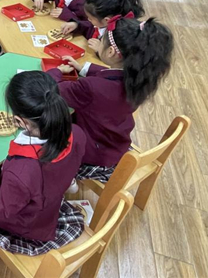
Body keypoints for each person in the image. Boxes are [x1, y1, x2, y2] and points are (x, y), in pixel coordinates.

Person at [0, 71, 86, 255]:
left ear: (18, 121)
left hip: (27, 224)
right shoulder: (77, 133)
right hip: (47, 204)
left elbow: (0, 209)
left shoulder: (22, 170)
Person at [48, 15, 173, 182]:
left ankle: (67, 179)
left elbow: (53, 90)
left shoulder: (91, 87)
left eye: (102, 39)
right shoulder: (139, 80)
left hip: (93, 152)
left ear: (111, 51)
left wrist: (56, 72)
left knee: (45, 134)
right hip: (116, 142)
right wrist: (83, 68)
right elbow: (109, 77)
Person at [59, 0, 145, 53]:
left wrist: (101, 50)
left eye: (91, 18)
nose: (88, 20)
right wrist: (76, 25)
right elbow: (90, 27)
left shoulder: (121, 37)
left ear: (106, 20)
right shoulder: (104, 23)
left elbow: (115, 63)